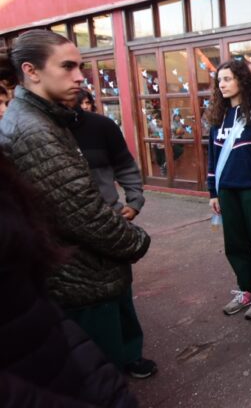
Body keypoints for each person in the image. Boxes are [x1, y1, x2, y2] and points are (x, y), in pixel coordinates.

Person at [0, 30, 152, 378]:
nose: (80, 76)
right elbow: (84, 215)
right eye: (67, 66)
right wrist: (137, 241)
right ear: (32, 71)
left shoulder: (47, 119)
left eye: (80, 66)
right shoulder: (34, 130)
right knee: (99, 375)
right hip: (80, 279)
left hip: (84, 270)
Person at [0, 151, 138, 407]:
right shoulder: (33, 128)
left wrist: (110, 392)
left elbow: (36, 309)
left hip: (50, 357)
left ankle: (131, 355)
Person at [68, 88, 155, 377]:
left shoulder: (101, 126)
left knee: (120, 293)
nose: (77, 78)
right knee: (81, 304)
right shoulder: (42, 131)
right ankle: (94, 366)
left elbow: (126, 167)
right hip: (67, 231)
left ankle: (131, 354)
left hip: (110, 222)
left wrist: (134, 202)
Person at [207, 59, 251, 320]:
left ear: (241, 80)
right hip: (227, 191)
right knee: (234, 244)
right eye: (219, 81)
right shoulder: (218, 116)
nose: (222, 85)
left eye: (227, 79)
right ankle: (245, 289)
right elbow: (212, 157)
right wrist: (212, 192)